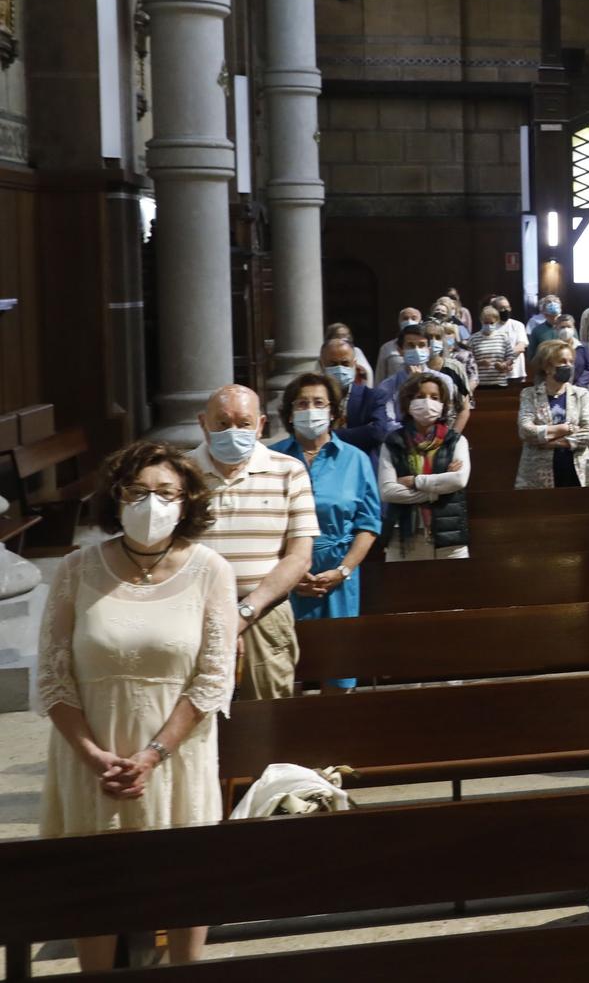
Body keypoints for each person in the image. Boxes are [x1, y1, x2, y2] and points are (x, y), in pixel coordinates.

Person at [35, 441, 235, 969]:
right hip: (91, 761)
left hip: (176, 759)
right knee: (95, 891)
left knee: (182, 884)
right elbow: (54, 679)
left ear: (187, 501)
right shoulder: (76, 569)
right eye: (138, 491)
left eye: (166, 493)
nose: (152, 503)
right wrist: (95, 757)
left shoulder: (211, 570)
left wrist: (151, 756)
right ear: (116, 498)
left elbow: (212, 677)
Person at [190, 385, 316, 700]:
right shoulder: (178, 473)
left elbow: (299, 557)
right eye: (222, 423)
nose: (233, 431)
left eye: (243, 423)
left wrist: (245, 612)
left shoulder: (290, 471)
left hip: (264, 615)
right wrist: (217, 620)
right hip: (192, 617)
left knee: (266, 726)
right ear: (203, 423)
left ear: (260, 425)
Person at [273, 372, 381, 692]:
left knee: (337, 672)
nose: (311, 409)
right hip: (283, 580)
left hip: (338, 579)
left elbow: (369, 524)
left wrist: (343, 570)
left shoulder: (355, 460)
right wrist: (290, 573)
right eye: (302, 403)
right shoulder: (273, 458)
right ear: (290, 413)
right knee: (286, 672)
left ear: (333, 411)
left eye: (319, 402)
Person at [377, 371, 472, 561]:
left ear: (443, 405)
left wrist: (414, 481)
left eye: (435, 398)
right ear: (407, 403)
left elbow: (459, 480)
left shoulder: (455, 441)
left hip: (449, 536)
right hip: (403, 538)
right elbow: (388, 491)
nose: (427, 402)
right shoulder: (393, 442)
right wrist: (436, 491)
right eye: (420, 397)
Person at [517, 339, 589, 489]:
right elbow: (525, 430)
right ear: (547, 367)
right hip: (538, 472)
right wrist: (566, 428)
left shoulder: (581, 394)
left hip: (576, 469)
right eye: (562, 361)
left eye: (571, 361)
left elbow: (588, 433)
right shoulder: (529, 394)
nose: (568, 365)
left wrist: (553, 443)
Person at [319, 337, 394, 452]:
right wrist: (361, 431)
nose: (340, 368)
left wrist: (328, 436)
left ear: (354, 364)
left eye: (345, 364)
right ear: (322, 365)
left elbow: (377, 433)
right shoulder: (313, 400)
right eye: (333, 364)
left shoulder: (372, 397)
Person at [467, 305, 516, 388]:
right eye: (486, 322)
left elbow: (510, 357)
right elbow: (468, 361)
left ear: (496, 321)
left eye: (491, 323)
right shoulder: (473, 338)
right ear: (481, 321)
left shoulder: (503, 337)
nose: (488, 325)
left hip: (500, 383)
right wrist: (479, 363)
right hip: (480, 384)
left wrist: (504, 364)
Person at [375, 307, 423, 384]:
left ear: (420, 322)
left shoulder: (425, 347)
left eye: (413, 318)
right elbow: (380, 376)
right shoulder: (387, 347)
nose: (409, 321)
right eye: (405, 318)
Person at [550, 312, 589, 389]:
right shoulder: (552, 348)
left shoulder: (583, 347)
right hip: (558, 388)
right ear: (556, 328)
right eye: (562, 327)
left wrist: (578, 385)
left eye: (569, 326)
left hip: (582, 388)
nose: (566, 330)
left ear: (573, 328)